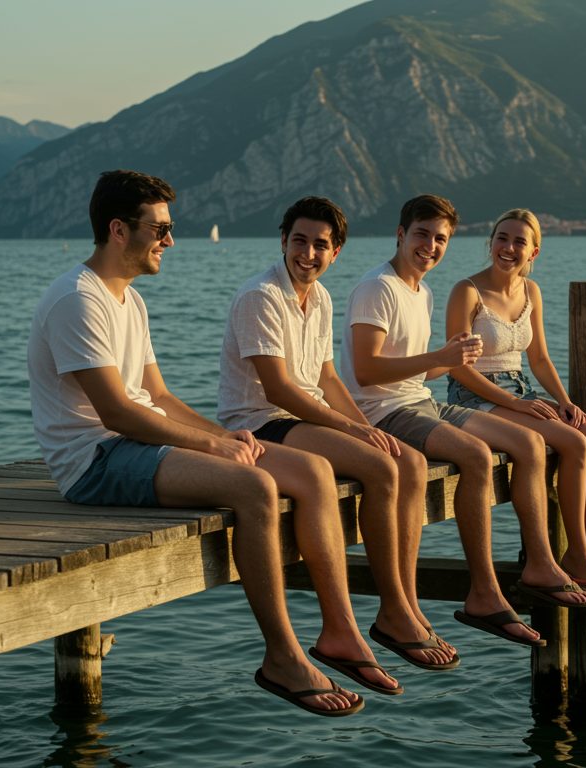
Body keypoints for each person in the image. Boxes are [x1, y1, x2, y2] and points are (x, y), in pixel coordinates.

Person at [27, 170, 381, 717]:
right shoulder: (78, 300)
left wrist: (223, 436)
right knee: (254, 488)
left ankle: (340, 632)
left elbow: (158, 396)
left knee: (312, 472)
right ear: (119, 230)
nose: (170, 240)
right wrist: (213, 450)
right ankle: (283, 657)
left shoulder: (128, 300)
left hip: (134, 444)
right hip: (95, 460)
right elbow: (116, 413)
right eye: (160, 228)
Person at [339, 194, 586, 648]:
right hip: (384, 411)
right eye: (422, 234)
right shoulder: (377, 287)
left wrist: (451, 359)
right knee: (476, 456)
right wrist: (441, 357)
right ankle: (484, 593)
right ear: (400, 235)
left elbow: (421, 372)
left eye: (440, 239)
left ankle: (541, 564)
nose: (431, 246)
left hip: (421, 401)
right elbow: (365, 370)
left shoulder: (421, 291)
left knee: (529, 444)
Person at [217, 196, 458, 677]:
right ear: (283, 241)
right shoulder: (260, 296)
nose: (308, 254)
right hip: (261, 422)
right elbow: (278, 389)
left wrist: (365, 427)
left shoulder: (321, 298)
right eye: (300, 241)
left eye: (320, 245)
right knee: (380, 467)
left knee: (405, 461)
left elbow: (327, 378)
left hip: (304, 419)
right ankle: (387, 615)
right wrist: (348, 427)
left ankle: (403, 603)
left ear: (336, 252)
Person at [444, 209, 586, 601]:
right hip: (475, 394)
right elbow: (458, 368)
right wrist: (517, 403)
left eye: (519, 242)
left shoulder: (531, 292)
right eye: (502, 237)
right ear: (491, 242)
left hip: (520, 389)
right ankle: (578, 555)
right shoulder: (467, 291)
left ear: (534, 252)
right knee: (573, 443)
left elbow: (540, 359)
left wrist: (564, 402)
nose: (508, 247)